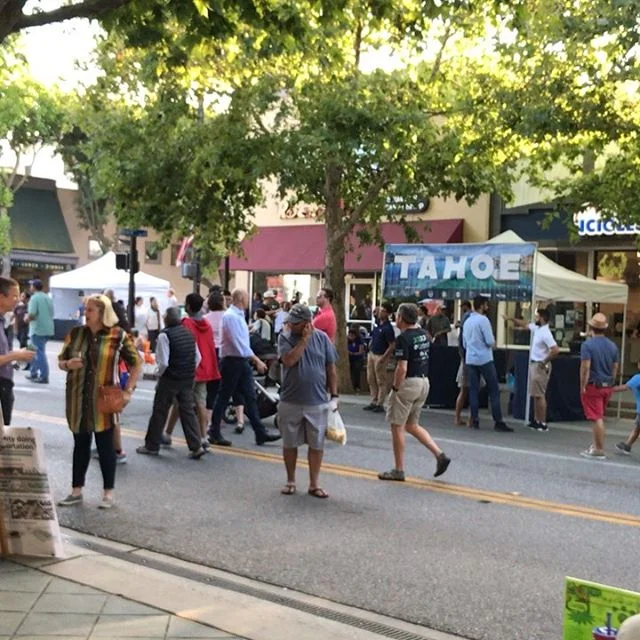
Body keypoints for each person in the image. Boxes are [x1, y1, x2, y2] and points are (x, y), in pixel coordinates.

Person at [57, 294, 141, 509]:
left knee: (105, 447)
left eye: (90, 310)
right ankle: (76, 491)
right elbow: (61, 361)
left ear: (103, 313)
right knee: (80, 445)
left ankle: (108, 493)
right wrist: (68, 364)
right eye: (86, 309)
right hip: (78, 399)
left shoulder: (117, 335)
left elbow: (136, 363)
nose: (86, 313)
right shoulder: (76, 334)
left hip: (104, 401)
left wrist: (128, 391)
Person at [378, 303, 450, 481]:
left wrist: (395, 388)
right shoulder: (423, 334)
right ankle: (439, 454)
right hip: (423, 382)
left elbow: (402, 367)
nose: (395, 318)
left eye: (397, 315)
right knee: (412, 424)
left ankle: (399, 469)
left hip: (408, 383)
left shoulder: (403, 338)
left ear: (401, 318)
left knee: (397, 426)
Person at [278, 304, 338, 498]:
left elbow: (331, 368)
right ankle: (290, 480)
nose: (290, 325)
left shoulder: (322, 339)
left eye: (295, 323)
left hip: (317, 399)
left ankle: (314, 483)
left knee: (317, 444)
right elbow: (289, 360)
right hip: (290, 399)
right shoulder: (285, 337)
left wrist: (334, 395)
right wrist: (304, 340)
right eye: (290, 321)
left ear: (307, 323)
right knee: (290, 443)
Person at [208, 289, 281, 447]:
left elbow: (241, 341)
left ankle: (260, 432)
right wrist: (257, 360)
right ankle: (214, 431)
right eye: (247, 297)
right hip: (232, 361)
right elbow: (238, 344)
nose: (249, 300)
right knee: (224, 396)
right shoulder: (231, 317)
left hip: (240, 361)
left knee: (250, 396)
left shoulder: (238, 316)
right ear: (241, 298)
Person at [136, 307, 207, 459]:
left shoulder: (165, 335)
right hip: (187, 378)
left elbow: (164, 362)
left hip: (170, 379)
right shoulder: (189, 333)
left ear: (167, 319)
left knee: (160, 411)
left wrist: (158, 374)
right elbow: (198, 358)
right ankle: (196, 446)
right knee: (187, 411)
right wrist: (188, 370)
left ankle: (152, 445)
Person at [504, 308, 560, 431]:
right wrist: (511, 318)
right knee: (535, 394)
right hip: (534, 364)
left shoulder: (546, 333)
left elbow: (555, 350)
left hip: (540, 365)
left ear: (543, 318)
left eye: (538, 316)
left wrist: (544, 361)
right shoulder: (537, 328)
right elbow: (525, 324)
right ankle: (536, 419)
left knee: (540, 394)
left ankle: (542, 422)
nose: (536, 318)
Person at [463, 296, 512, 432]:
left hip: (470, 358)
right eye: (486, 304)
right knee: (493, 389)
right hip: (484, 358)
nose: (488, 307)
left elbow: (464, 343)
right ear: (482, 305)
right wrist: (494, 345)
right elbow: (490, 341)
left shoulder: (467, 321)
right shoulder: (483, 320)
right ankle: (498, 421)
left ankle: (475, 419)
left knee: (473, 389)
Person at [182, 293, 221, 444]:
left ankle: (168, 432)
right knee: (201, 402)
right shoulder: (207, 325)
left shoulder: (186, 323)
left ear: (188, 306)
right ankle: (203, 436)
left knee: (181, 401)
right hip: (205, 368)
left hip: (190, 368)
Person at [579, 312, 619, 459]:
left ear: (591, 328)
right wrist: (612, 381)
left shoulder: (587, 345)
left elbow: (585, 367)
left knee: (596, 418)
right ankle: (596, 444)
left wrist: (583, 385)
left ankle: (599, 449)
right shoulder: (613, 346)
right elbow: (615, 367)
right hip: (607, 385)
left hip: (594, 385)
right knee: (599, 415)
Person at [0, 278, 35, 424]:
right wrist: (16, 355)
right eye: (14, 296)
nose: (18, 300)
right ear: (1, 297)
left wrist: (16, 356)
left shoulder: (3, 321)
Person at [363, 302, 396, 413]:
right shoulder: (377, 324)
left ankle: (380, 403)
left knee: (380, 380)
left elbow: (392, 345)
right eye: (380, 310)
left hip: (381, 355)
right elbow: (374, 313)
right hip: (372, 353)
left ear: (388, 313)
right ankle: (374, 400)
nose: (380, 313)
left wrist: (384, 357)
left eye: (383, 311)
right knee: (371, 378)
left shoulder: (388, 328)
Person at [26, 278, 54, 384]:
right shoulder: (48, 297)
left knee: (39, 352)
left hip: (37, 329)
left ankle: (44, 376)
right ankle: (33, 372)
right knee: (32, 350)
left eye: (31, 285)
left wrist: (25, 319)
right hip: (48, 328)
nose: (30, 287)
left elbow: (32, 314)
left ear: (34, 287)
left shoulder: (34, 298)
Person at [612, 361, 640, 456]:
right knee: (637, 428)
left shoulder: (637, 378)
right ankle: (627, 445)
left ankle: (628, 445)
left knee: (637, 427)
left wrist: (609, 389)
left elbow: (624, 387)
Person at [454, 300, 472, 426]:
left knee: (464, 390)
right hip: (469, 358)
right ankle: (470, 419)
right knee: (471, 390)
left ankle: (458, 417)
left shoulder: (465, 318)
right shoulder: (470, 317)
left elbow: (461, 341)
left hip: (465, 358)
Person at [347, 327, 365, 393]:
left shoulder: (359, 341)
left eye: (352, 336)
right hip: (349, 358)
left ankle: (357, 386)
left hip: (357, 358)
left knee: (356, 369)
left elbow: (361, 352)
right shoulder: (347, 340)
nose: (351, 337)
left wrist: (353, 353)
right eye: (349, 335)